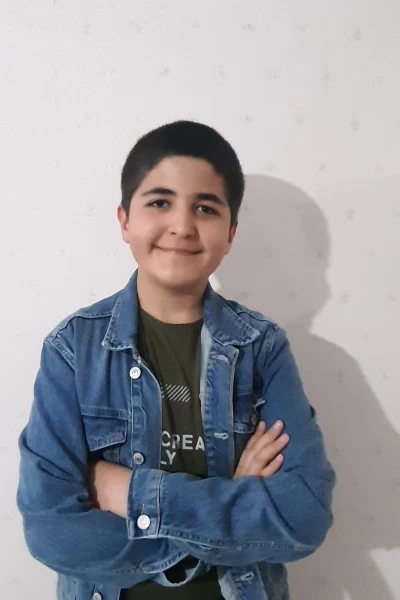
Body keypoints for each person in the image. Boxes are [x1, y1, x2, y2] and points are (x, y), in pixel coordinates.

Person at [17, 120, 336, 600]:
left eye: (205, 208)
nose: (182, 225)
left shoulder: (261, 348)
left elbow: (305, 515)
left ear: (230, 233)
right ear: (124, 220)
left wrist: (130, 494)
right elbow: (51, 532)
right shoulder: (72, 350)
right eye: (159, 202)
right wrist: (229, 506)